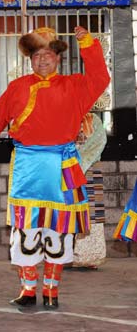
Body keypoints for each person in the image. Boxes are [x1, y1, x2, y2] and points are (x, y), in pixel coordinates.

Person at [0, 26, 110, 309]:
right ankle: (27, 289)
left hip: (62, 165)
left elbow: (101, 77)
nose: (42, 60)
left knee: (59, 230)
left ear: (57, 57)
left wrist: (88, 45)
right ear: (30, 59)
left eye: (48, 54)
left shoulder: (75, 86)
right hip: (27, 166)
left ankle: (51, 290)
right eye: (37, 55)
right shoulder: (17, 87)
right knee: (26, 229)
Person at [72, 113, 107, 269]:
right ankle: (66, 255)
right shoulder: (61, 115)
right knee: (66, 211)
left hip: (89, 169)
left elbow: (99, 142)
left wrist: (79, 161)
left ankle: (90, 257)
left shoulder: (94, 120)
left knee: (91, 211)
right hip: (66, 169)